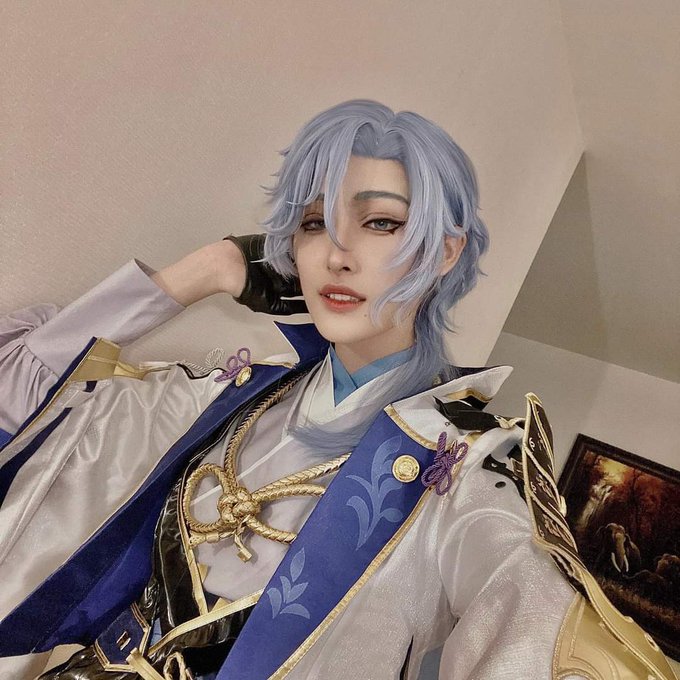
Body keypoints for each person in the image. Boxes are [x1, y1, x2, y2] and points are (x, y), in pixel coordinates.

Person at [0, 100, 675, 680]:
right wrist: (209, 269)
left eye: (380, 223)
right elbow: (25, 396)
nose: (335, 254)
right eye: (314, 223)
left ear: (444, 252)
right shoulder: (237, 399)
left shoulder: (467, 468)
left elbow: (542, 621)